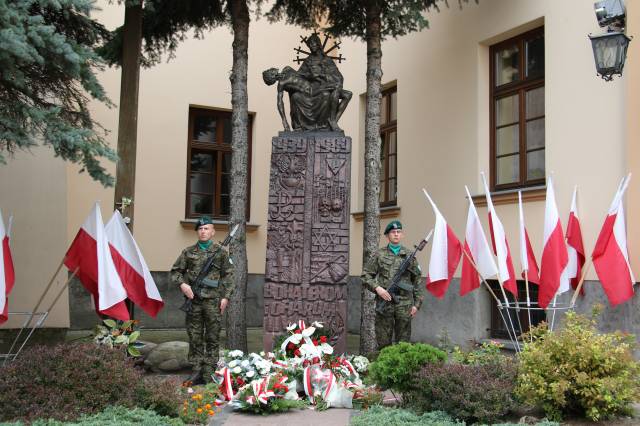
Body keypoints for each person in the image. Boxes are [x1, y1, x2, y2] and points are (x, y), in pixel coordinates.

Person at [171, 216, 235, 384]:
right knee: (195, 336)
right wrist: (183, 285)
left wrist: (226, 297)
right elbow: (175, 272)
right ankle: (196, 370)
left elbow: (229, 276)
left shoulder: (221, 253)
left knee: (213, 337)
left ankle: (209, 372)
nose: (203, 231)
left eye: (206, 228)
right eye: (200, 229)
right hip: (194, 301)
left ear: (213, 232)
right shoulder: (188, 252)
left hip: (213, 301)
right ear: (197, 232)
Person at [360, 220, 424, 350]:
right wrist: (378, 289)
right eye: (393, 232)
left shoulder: (409, 256)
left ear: (402, 235)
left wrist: (417, 305)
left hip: (404, 304)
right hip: (385, 303)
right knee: (383, 342)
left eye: (398, 232)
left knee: (403, 344)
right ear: (387, 236)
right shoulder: (379, 254)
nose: (396, 234)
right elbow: (365, 275)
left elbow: (417, 281)